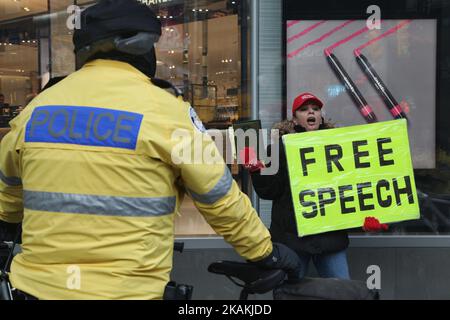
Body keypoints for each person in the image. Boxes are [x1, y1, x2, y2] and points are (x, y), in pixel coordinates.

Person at [0, 0, 300, 300]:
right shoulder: (168, 113)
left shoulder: (35, 111)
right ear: (143, 50)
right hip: (126, 293)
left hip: (34, 290)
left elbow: (8, 198)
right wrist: (264, 252)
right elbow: (219, 197)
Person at [244, 92, 387, 280]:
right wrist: (257, 171)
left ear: (320, 116)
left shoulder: (339, 148)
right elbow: (270, 191)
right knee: (291, 294)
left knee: (342, 292)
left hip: (330, 240)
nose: (311, 112)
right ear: (294, 120)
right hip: (293, 240)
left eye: (315, 109)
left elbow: (351, 189)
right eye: (304, 110)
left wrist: (364, 220)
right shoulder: (278, 148)